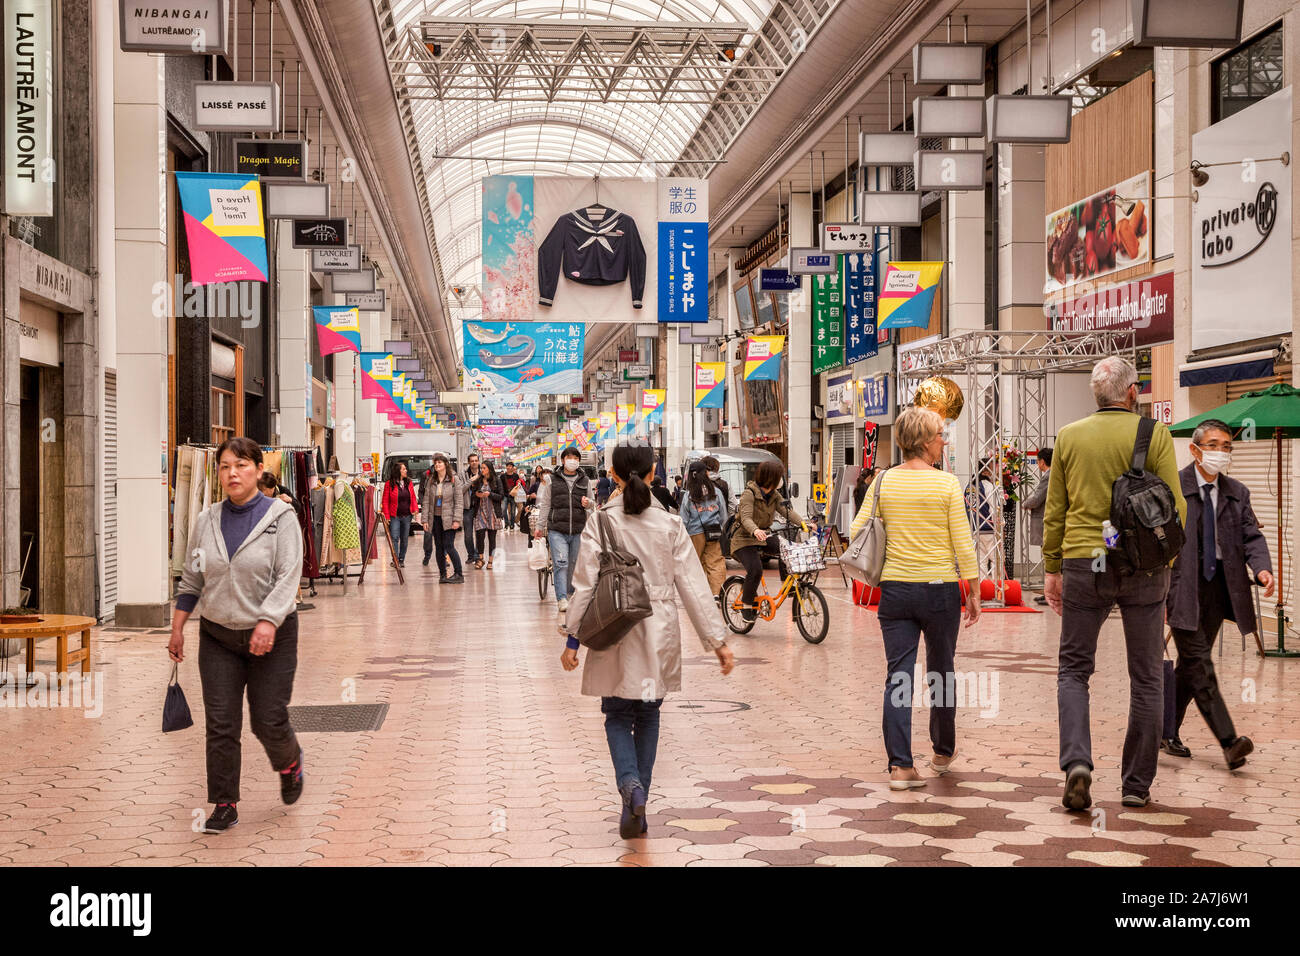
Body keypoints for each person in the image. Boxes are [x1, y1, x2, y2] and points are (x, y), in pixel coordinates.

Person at [560, 443, 734, 839]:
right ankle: (638, 801)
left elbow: (585, 584)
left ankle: (630, 788)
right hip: (658, 630)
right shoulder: (670, 524)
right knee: (649, 715)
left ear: (615, 476)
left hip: (614, 631)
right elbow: (692, 585)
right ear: (654, 474)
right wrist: (717, 641)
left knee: (617, 715)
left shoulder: (600, 522)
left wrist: (573, 639)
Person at [1043, 356, 1186, 811]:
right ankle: (1136, 785)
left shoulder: (1069, 437)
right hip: (1144, 569)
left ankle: (1078, 764)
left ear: (1095, 395)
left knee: (1073, 670)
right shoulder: (1155, 434)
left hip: (1087, 562)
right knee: (1147, 677)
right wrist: (1169, 571)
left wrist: (1051, 567)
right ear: (1131, 393)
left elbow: (1056, 510)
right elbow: (1175, 509)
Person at [168, 437, 304, 834]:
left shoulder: (281, 517)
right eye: (226, 466)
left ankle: (289, 763)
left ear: (259, 470)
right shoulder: (206, 519)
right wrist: (178, 627)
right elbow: (192, 576)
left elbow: (287, 576)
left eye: (242, 465)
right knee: (222, 722)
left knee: (267, 719)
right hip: (218, 637)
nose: (233, 473)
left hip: (272, 637)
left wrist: (267, 620)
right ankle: (224, 803)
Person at [850, 408, 980, 791]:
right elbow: (963, 544)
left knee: (899, 676)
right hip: (939, 591)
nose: (945, 441)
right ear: (925, 442)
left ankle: (901, 768)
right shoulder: (946, 485)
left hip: (896, 591)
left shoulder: (883, 482)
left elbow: (859, 529)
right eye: (941, 435)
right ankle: (942, 750)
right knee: (942, 669)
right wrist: (972, 590)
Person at [1163, 419, 1271, 769]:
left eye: (1226, 446)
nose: (1220, 452)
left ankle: (1166, 732)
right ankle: (1229, 741)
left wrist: (1262, 568)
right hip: (1181, 587)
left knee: (1192, 664)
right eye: (1213, 445)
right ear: (1195, 450)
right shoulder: (1174, 488)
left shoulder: (1236, 492)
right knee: (1200, 663)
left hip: (1218, 589)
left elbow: (1251, 535)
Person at [731, 459, 806, 623]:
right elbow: (745, 518)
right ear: (771, 477)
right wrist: (755, 530)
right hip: (743, 539)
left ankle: (788, 585)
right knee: (756, 569)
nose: (781, 480)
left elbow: (787, 512)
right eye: (779, 476)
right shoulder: (748, 494)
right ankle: (746, 606)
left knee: (787, 549)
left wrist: (803, 523)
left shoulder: (774, 495)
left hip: (762, 536)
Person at [535, 446, 593, 614]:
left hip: (578, 529)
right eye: (569, 457)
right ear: (562, 460)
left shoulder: (585, 480)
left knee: (574, 565)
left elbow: (592, 504)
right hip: (557, 530)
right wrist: (540, 526)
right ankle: (561, 598)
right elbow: (545, 504)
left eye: (576, 458)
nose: (572, 461)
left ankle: (570, 594)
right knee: (561, 563)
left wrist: (588, 504)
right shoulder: (552, 480)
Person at [679, 461, 729, 597]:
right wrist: (721, 528)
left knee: (696, 564)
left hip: (695, 533)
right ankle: (717, 594)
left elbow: (684, 518)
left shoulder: (689, 495)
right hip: (714, 532)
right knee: (716, 563)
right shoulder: (716, 491)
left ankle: (699, 594)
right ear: (705, 473)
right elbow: (723, 515)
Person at [421, 453, 464, 583]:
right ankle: (442, 575)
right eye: (435, 463)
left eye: (440, 462)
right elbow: (427, 501)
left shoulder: (454, 479)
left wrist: (457, 519)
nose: (437, 465)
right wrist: (425, 520)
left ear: (445, 464)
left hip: (449, 519)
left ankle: (459, 574)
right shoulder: (431, 480)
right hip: (435, 519)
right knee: (439, 547)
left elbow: (459, 501)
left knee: (449, 545)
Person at [1020, 448, 1053, 605]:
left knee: (1049, 558)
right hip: (1049, 520)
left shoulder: (1049, 476)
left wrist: (1025, 504)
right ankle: (1049, 592)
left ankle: (1051, 594)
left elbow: (1037, 498)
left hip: (1045, 521)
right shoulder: (1053, 475)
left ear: (1042, 461)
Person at [381, 461, 418, 568]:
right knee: (394, 537)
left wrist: (415, 509)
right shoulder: (389, 484)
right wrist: (387, 516)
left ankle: (401, 559)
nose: (406, 470)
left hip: (407, 515)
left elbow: (413, 498)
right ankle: (395, 559)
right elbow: (385, 501)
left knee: (404, 538)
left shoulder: (409, 483)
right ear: (398, 471)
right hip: (394, 516)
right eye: (404, 469)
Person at [470, 461, 505, 570]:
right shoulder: (478, 481)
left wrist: (490, 494)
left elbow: (501, 496)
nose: (482, 470)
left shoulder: (496, 480)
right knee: (479, 537)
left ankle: (490, 560)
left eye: (484, 468)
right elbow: (473, 495)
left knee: (492, 538)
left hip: (493, 513)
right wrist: (477, 495)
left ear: (489, 469)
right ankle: (481, 560)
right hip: (480, 512)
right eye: (481, 468)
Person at [969, 458, 999, 579]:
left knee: (980, 561)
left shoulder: (970, 486)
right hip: (989, 528)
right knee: (996, 560)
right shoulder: (988, 486)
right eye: (993, 468)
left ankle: (983, 588)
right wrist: (1000, 524)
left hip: (975, 529)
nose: (996, 471)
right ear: (985, 472)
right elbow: (994, 509)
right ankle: (997, 588)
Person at [461, 452, 481, 567]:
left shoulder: (483, 473)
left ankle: (478, 555)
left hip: (479, 508)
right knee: (468, 534)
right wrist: (471, 480)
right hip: (467, 508)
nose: (474, 462)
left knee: (479, 534)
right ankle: (471, 555)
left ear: (478, 461)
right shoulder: (463, 474)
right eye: (472, 461)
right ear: (469, 462)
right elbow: (460, 490)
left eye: (475, 460)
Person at [502, 462, 522, 531]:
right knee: (503, 510)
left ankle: (512, 525)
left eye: (510, 466)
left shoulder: (516, 476)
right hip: (505, 496)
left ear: (513, 467)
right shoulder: (503, 476)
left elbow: (518, 485)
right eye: (507, 466)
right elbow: (501, 486)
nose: (508, 467)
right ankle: (506, 523)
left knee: (513, 511)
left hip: (513, 496)